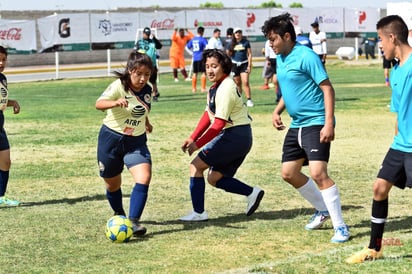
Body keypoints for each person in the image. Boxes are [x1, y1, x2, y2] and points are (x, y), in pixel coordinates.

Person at [262, 13, 350, 243]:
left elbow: (327, 89)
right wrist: (277, 110)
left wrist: (329, 122)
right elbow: (291, 89)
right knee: (288, 173)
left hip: (316, 122)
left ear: (287, 36)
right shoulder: (280, 58)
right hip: (297, 124)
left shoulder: (307, 56)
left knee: (318, 173)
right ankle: (323, 210)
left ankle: (340, 227)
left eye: (273, 39)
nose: (270, 43)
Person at [346, 15, 412, 264]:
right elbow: (399, 112)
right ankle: (374, 248)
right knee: (379, 189)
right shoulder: (395, 70)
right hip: (400, 145)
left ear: (392, 37)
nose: (379, 45)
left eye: (381, 40)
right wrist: (397, 140)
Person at [179, 49, 264, 221]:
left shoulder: (226, 87)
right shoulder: (215, 87)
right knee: (214, 178)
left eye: (214, 66)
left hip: (234, 136)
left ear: (224, 67)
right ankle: (252, 193)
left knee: (195, 166)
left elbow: (217, 124)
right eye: (207, 66)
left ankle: (199, 213)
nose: (210, 70)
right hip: (240, 136)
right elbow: (207, 115)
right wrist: (192, 137)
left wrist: (198, 144)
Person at [96, 51, 155, 237]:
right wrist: (114, 103)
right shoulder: (118, 86)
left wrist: (146, 123)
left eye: (147, 74)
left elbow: (141, 109)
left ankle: (133, 221)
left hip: (136, 142)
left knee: (143, 177)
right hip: (111, 139)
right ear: (130, 71)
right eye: (139, 74)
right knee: (112, 184)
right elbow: (99, 103)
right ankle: (119, 214)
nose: (143, 78)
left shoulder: (148, 89)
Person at [0, 46, 21, 207]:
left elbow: (1, 102)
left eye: (4, 59)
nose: (1, 63)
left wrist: (12, 102)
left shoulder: (2, 78)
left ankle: (1, 196)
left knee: (5, 162)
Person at [227, 27, 254, 107]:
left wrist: (249, 65)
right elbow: (228, 54)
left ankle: (249, 100)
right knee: (238, 83)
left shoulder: (245, 42)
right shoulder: (231, 43)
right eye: (236, 33)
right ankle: (239, 100)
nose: (238, 34)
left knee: (245, 81)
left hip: (244, 63)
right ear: (234, 34)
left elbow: (249, 54)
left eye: (239, 32)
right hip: (235, 64)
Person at [134, 27, 163, 101]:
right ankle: (141, 94)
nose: (147, 35)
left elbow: (159, 46)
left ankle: (154, 95)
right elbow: (135, 52)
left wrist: (155, 38)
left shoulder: (152, 42)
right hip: (143, 64)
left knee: (153, 81)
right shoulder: (139, 42)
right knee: (142, 80)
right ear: (143, 34)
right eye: (146, 34)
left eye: (148, 34)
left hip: (152, 64)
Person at [185, 26, 208, 93]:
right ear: (202, 32)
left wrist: (191, 53)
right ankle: (203, 88)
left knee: (195, 73)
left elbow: (186, 47)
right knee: (203, 73)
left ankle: (194, 89)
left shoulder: (193, 39)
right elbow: (207, 47)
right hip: (201, 57)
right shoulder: (202, 39)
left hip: (195, 58)